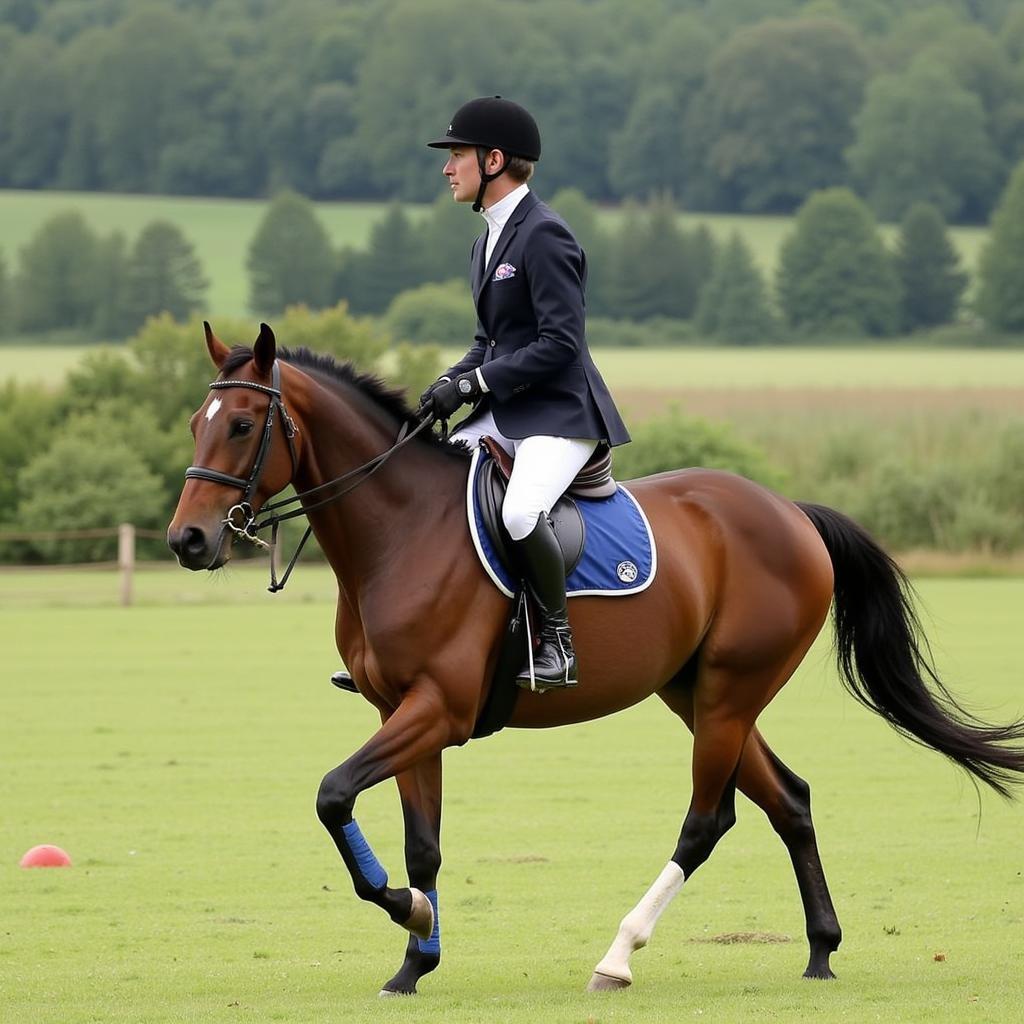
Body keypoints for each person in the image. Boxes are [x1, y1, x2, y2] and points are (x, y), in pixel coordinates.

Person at [419, 96, 630, 691]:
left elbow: (560, 343)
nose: (446, 167)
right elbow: (489, 341)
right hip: (509, 411)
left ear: (494, 161)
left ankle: (556, 642)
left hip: (561, 414)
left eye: (456, 155)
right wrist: (449, 384)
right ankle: (415, 636)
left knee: (519, 511)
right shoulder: (486, 241)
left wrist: (476, 382)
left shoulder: (544, 234)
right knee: (428, 481)